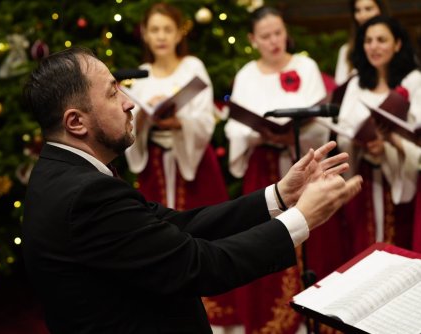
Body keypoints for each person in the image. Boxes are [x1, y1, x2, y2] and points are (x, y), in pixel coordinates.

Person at [22, 46, 362, 334]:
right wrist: (301, 218)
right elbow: (198, 265)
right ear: (75, 122)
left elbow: (174, 226)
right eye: (113, 92)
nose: (129, 103)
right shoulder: (85, 194)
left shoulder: (63, 172)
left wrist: (279, 196)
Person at [220, 6, 334, 333]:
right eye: (266, 36)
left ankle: (317, 316)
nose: (274, 42)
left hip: (304, 162)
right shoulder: (246, 74)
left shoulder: (305, 65)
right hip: (265, 169)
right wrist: (260, 132)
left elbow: (321, 119)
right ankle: (274, 319)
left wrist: (293, 132)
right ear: (253, 40)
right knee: (266, 235)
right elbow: (235, 127)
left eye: (278, 33)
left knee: (314, 239)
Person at [124, 3, 229, 210]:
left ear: (179, 34)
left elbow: (205, 117)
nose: (161, 36)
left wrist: (179, 121)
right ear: (145, 34)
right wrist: (144, 116)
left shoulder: (192, 67)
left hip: (194, 162)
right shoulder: (142, 74)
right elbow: (131, 122)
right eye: (155, 30)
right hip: (155, 164)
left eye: (167, 29)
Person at [335, 15, 421, 258]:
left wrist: (389, 145)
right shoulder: (356, 83)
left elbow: (416, 133)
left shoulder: (413, 81)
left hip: (399, 179)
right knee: (362, 249)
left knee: (399, 249)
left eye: (382, 40)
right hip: (364, 177)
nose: (374, 46)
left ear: (397, 44)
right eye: (368, 40)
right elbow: (344, 127)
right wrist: (358, 142)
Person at [335, 0, 388, 85]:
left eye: (368, 9)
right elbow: (340, 86)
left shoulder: (395, 45)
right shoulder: (347, 50)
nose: (363, 16)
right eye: (358, 10)